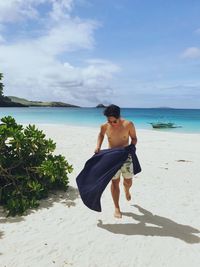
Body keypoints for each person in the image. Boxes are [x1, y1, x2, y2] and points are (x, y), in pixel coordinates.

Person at [94, 104, 137, 218]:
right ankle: (117, 207)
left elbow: (134, 138)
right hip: (111, 157)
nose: (112, 123)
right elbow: (101, 135)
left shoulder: (128, 124)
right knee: (114, 182)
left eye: (115, 121)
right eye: (109, 121)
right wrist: (98, 146)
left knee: (128, 182)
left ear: (119, 117)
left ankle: (127, 190)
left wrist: (132, 146)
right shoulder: (104, 126)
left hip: (125, 156)